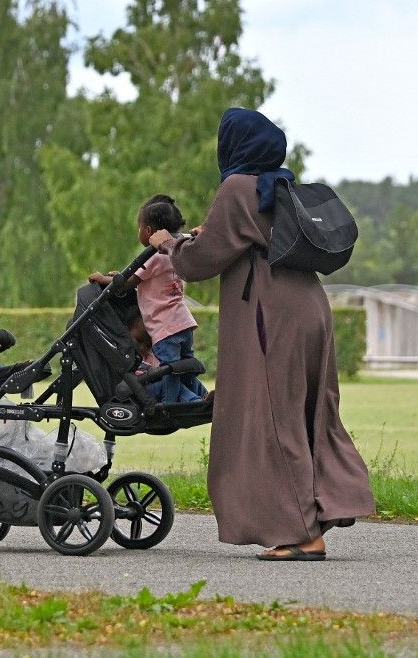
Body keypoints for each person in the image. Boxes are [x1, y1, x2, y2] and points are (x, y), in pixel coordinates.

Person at [146, 108, 375, 561]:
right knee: (308, 409)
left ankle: (301, 532)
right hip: (309, 307)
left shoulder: (236, 187)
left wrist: (168, 244)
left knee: (273, 415)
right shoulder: (279, 185)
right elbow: (239, 237)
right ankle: (322, 506)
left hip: (271, 313)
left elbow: (200, 260)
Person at [89, 195, 207, 403]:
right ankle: (203, 395)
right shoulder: (177, 251)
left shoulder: (152, 257)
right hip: (184, 323)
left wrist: (102, 278)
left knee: (167, 371)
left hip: (164, 328)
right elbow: (144, 281)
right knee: (185, 368)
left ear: (149, 231)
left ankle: (174, 404)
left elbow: (126, 283)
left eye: (140, 227)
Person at [128, 315, 207, 402]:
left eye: (148, 345)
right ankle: (195, 402)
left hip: (155, 386)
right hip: (141, 390)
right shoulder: (127, 357)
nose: (142, 347)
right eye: (138, 340)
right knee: (172, 385)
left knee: (186, 379)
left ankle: (206, 396)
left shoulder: (151, 356)